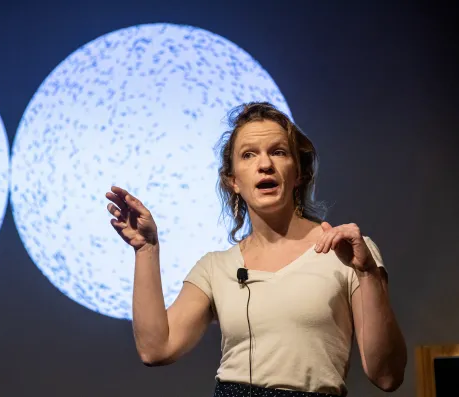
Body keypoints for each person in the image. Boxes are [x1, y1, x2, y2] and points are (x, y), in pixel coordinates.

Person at [105, 102, 407, 397]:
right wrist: (146, 249)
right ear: (233, 180)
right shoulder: (215, 267)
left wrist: (368, 274)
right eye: (249, 155)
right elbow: (156, 348)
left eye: (278, 152)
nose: (265, 165)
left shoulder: (348, 252)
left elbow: (387, 375)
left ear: (298, 173)